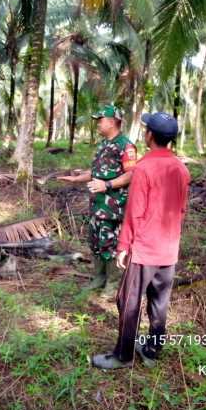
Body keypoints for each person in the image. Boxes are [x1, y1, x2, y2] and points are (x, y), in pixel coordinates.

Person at [90, 111, 191, 370]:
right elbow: (182, 209)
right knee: (159, 302)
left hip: (145, 249)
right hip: (168, 249)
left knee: (128, 301)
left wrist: (123, 246)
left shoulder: (144, 168)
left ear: (149, 136)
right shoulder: (181, 168)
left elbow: (134, 211)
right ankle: (152, 350)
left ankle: (123, 355)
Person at [57, 105, 137, 297]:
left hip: (114, 206)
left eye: (100, 120)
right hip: (97, 205)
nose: (98, 124)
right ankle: (99, 277)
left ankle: (112, 283)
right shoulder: (103, 144)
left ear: (112, 121)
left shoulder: (125, 145)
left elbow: (132, 174)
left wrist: (107, 186)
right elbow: (97, 172)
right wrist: (78, 178)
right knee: (96, 241)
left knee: (111, 243)